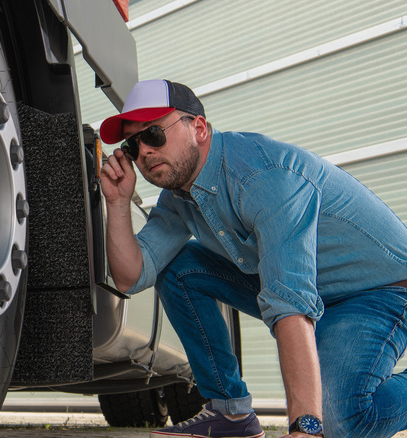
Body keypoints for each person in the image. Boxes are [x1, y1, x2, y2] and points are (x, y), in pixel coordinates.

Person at [99, 79, 407, 438]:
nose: (144, 152)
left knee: (338, 421)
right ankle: (230, 413)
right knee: (178, 269)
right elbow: (131, 276)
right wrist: (117, 202)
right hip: (316, 293)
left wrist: (305, 428)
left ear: (199, 128)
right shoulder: (180, 197)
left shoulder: (265, 176)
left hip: (378, 292)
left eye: (153, 134)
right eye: (132, 144)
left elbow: (289, 300)